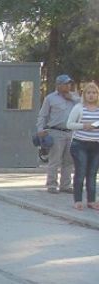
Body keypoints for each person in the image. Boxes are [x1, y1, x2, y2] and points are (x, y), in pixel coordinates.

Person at [37, 74, 79, 194]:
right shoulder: (50, 98)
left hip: (71, 132)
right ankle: (51, 185)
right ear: (59, 85)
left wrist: (72, 97)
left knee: (69, 160)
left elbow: (84, 106)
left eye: (69, 83)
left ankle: (65, 185)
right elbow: (43, 115)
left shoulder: (75, 98)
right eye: (66, 84)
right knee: (55, 160)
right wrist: (40, 128)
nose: (68, 86)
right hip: (56, 131)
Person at [66, 82, 99, 211]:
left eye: (94, 93)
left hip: (96, 145)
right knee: (81, 172)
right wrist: (84, 126)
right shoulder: (79, 108)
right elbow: (69, 124)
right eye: (89, 93)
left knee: (92, 173)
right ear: (84, 95)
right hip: (80, 144)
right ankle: (78, 200)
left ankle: (91, 200)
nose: (91, 95)